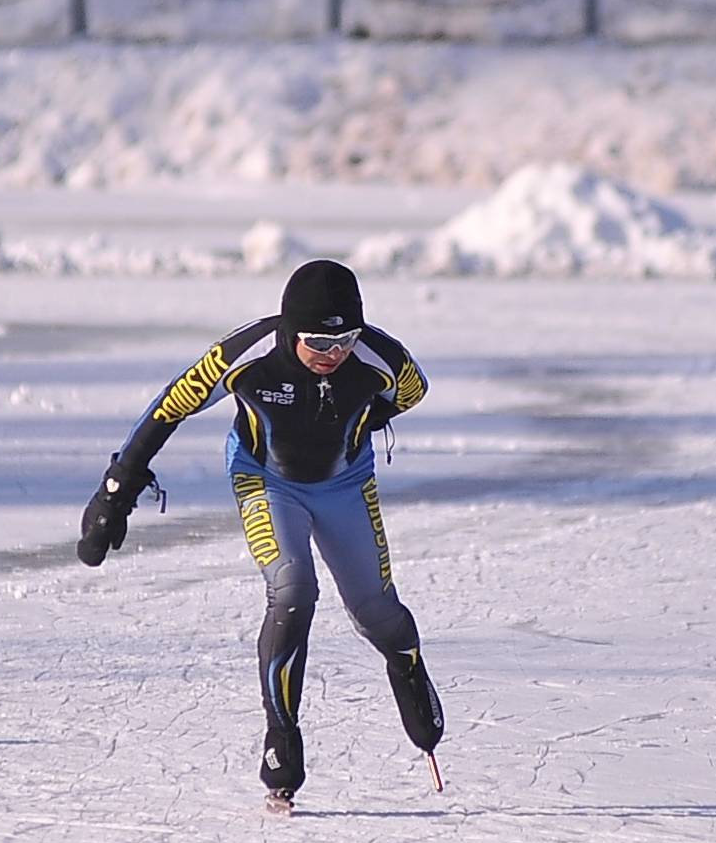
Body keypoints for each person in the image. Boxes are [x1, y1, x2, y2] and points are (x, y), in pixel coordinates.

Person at [77, 257, 445, 811]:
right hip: (265, 480)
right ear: (289, 330)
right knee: (294, 591)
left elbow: (411, 392)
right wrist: (117, 486)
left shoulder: (378, 358)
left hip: (345, 481)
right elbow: (169, 407)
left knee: (375, 610)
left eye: (344, 341)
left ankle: (407, 665)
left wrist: (362, 419)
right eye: (318, 343)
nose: (332, 356)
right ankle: (282, 734)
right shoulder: (248, 355)